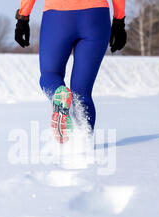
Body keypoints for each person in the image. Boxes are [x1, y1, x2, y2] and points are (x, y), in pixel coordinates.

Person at [15, 0, 127, 143]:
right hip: (96, 17)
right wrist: (119, 21)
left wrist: (23, 18)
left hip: (58, 17)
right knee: (81, 92)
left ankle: (59, 95)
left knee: (50, 75)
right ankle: (82, 143)